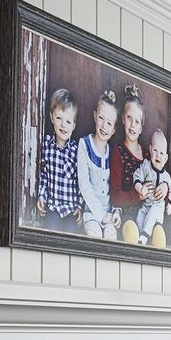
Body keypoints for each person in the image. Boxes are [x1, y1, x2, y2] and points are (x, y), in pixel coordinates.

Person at [34, 89, 82, 233]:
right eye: (59, 118)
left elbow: (81, 181)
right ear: (52, 117)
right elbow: (44, 175)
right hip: (52, 207)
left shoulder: (76, 151)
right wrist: (41, 197)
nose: (63, 125)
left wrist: (79, 206)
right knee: (50, 233)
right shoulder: (46, 145)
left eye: (68, 121)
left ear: (73, 125)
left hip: (70, 209)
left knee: (71, 236)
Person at [75, 90, 121, 238]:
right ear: (95, 116)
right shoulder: (84, 144)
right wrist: (101, 215)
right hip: (91, 214)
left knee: (111, 239)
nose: (104, 126)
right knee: (95, 236)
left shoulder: (113, 153)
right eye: (101, 118)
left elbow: (116, 186)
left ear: (113, 130)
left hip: (109, 215)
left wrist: (116, 211)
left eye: (109, 123)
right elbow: (84, 184)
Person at [109, 86, 152, 242]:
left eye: (137, 121)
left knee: (155, 229)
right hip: (126, 215)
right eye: (129, 118)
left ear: (141, 128)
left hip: (147, 213)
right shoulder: (118, 152)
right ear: (122, 119)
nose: (133, 124)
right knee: (131, 231)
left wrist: (165, 189)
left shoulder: (148, 155)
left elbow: (160, 176)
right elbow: (115, 196)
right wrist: (137, 195)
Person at [130, 128, 171, 248]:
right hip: (145, 205)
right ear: (150, 149)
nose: (158, 155)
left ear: (165, 158)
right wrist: (140, 188)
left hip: (157, 208)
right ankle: (141, 237)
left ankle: (145, 236)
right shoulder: (146, 167)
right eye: (155, 150)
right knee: (140, 217)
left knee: (154, 211)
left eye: (161, 153)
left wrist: (169, 204)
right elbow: (136, 177)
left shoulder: (166, 177)